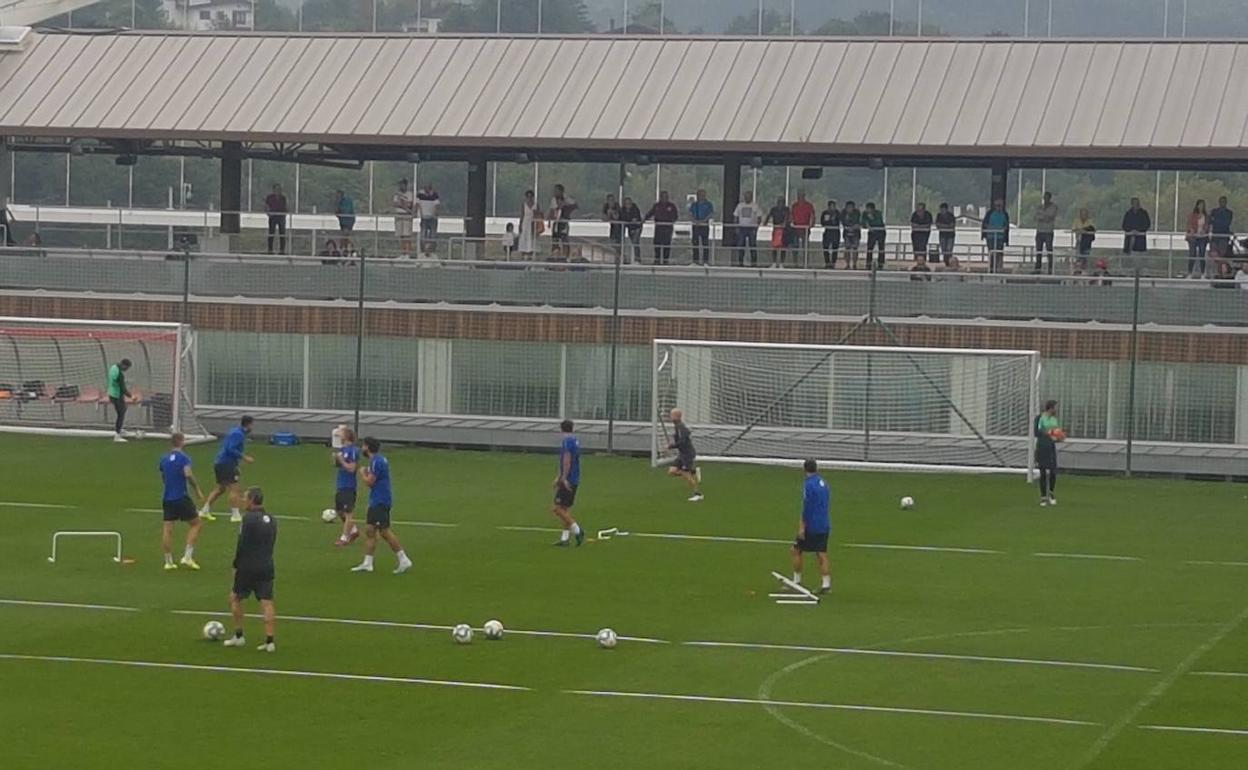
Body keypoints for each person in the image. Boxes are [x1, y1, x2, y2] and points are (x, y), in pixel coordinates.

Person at [224, 487, 278, 653]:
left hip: (247, 566)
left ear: (252, 500)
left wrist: (235, 565)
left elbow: (242, 545)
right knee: (267, 602)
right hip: (266, 565)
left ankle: (239, 636)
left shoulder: (247, 519)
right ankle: (270, 641)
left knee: (235, 598)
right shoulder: (272, 519)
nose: (243, 501)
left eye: (245, 498)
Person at [351, 437, 413, 575]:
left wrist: (362, 473)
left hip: (380, 500)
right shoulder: (379, 460)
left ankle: (403, 559)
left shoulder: (376, 461)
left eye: (363, 446)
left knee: (384, 531)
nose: (362, 449)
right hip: (378, 500)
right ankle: (367, 563)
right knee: (370, 530)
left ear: (367, 447)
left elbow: (370, 482)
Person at [159, 432, 204, 571]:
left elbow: (163, 477)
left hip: (167, 498)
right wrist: (197, 489)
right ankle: (187, 557)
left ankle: (168, 562)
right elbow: (188, 474)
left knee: (167, 529)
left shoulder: (164, 459)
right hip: (181, 497)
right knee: (196, 524)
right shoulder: (184, 458)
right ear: (182, 442)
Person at [200, 415, 255, 524]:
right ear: (248, 424)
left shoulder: (235, 431)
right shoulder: (238, 434)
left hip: (221, 463)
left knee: (220, 489)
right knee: (234, 488)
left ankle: (204, 510)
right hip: (226, 464)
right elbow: (230, 448)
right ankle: (235, 515)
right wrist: (244, 457)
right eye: (252, 425)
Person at [790, 459, 832, 595]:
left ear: (804, 469)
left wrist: (802, 527)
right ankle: (826, 583)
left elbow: (807, 507)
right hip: (824, 523)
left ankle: (796, 581)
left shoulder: (808, 485)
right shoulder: (824, 483)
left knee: (795, 550)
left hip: (812, 525)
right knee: (821, 553)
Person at [551, 419, 585, 547]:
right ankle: (564, 539)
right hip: (575, 478)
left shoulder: (567, 442)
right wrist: (558, 476)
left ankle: (577, 530)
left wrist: (563, 478)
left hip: (569, 479)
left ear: (561, 429)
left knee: (557, 509)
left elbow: (567, 461)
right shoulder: (575, 441)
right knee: (564, 509)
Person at [331, 427, 361, 547]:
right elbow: (338, 465)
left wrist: (341, 460)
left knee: (348, 512)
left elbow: (352, 468)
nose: (339, 436)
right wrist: (335, 459)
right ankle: (353, 531)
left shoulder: (353, 450)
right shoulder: (342, 450)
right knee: (339, 511)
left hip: (349, 486)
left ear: (347, 436)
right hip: (340, 485)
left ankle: (344, 537)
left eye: (341, 434)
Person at [667, 408, 703, 502]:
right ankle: (693, 471)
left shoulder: (681, 427)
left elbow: (682, 441)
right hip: (682, 454)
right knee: (672, 471)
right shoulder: (677, 427)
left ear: (676, 416)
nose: (670, 417)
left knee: (685, 474)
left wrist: (672, 446)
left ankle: (697, 494)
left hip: (687, 454)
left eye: (671, 415)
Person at [1034, 400, 1062, 507]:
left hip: (1051, 447)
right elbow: (1037, 432)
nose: (1056, 410)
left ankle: (1051, 493)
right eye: (1055, 407)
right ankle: (1043, 497)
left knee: (1053, 471)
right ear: (1050, 408)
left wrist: (1059, 437)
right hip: (1042, 447)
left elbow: (1056, 432)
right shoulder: (1039, 418)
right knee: (1043, 472)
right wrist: (1049, 432)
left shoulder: (1054, 420)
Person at [646, 191, 680, 265]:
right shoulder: (656, 206)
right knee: (657, 243)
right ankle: (657, 259)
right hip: (659, 227)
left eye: (666, 197)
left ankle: (665, 260)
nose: (664, 198)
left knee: (666, 244)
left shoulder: (672, 206)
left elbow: (675, 216)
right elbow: (650, 213)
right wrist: (644, 219)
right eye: (663, 196)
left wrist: (671, 220)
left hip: (667, 227)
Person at [548, 184, 577, 260]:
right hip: (556, 222)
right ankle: (555, 256)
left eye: (556, 190)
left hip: (563, 222)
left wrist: (565, 206)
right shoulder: (553, 199)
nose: (555, 192)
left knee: (564, 239)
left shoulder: (566, 198)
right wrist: (549, 219)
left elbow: (574, 205)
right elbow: (552, 210)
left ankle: (566, 256)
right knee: (555, 239)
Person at [107, 358, 133, 443]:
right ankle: (117, 435)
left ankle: (119, 429)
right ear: (124, 365)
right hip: (116, 395)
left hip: (111, 393)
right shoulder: (120, 375)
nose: (126, 370)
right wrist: (131, 396)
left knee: (123, 410)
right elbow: (122, 389)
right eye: (127, 368)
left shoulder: (113, 367)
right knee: (121, 413)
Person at [733, 191, 762, 267]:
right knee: (740, 246)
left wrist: (756, 228)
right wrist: (736, 227)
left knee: (753, 245)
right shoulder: (740, 205)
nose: (747, 198)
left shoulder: (755, 206)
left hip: (751, 228)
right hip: (742, 228)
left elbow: (759, 217)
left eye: (749, 196)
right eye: (746, 196)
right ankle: (740, 263)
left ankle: (754, 263)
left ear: (751, 197)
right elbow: (735, 216)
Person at [981, 199, 1010, 273]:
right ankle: (991, 269)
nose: (999, 208)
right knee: (991, 253)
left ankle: (997, 269)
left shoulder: (1004, 214)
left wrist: (1006, 240)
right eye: (997, 206)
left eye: (1000, 206)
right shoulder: (990, 213)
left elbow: (1006, 227)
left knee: (998, 254)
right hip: (991, 237)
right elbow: (984, 224)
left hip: (1000, 237)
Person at [1186, 199, 1211, 279]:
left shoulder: (1206, 216)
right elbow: (1189, 224)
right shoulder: (1192, 215)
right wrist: (1191, 230)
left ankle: (1203, 273)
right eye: (1200, 205)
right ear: (1197, 206)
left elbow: (1208, 225)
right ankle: (1190, 273)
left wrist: (1205, 229)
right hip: (1193, 237)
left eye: (1202, 205)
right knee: (1192, 254)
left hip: (1202, 237)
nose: (1201, 207)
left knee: (1202, 255)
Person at [1034, 192, 1058, 274]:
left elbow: (1051, 216)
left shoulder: (1054, 207)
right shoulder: (1040, 206)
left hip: (1048, 232)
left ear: (1050, 198)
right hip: (1039, 231)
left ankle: (1050, 270)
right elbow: (1037, 216)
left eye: (1047, 197)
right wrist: (1045, 216)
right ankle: (1037, 269)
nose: (1045, 199)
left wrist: (1043, 216)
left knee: (1049, 250)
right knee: (1038, 251)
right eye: (1044, 197)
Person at [789, 191, 816, 264]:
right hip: (795, 229)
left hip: (805, 229)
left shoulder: (809, 205)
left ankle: (805, 263)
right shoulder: (794, 205)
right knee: (795, 246)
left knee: (805, 247)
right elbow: (791, 216)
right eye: (798, 196)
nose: (800, 197)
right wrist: (791, 223)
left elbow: (812, 216)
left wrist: (810, 225)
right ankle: (795, 263)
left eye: (801, 196)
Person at [689, 189, 714, 266]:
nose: (700, 196)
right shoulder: (694, 204)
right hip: (695, 226)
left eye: (702, 195)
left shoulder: (709, 204)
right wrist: (695, 221)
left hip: (704, 226)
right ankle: (695, 261)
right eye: (699, 195)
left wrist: (703, 221)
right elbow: (690, 213)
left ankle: (705, 261)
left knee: (705, 243)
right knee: (695, 243)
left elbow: (711, 214)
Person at [764, 197, 789, 268]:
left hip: (784, 230)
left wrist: (784, 223)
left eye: (782, 202)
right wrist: (765, 222)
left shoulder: (786, 209)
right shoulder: (774, 209)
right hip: (776, 228)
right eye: (779, 202)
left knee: (783, 246)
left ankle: (781, 263)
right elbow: (769, 215)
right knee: (774, 246)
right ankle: (774, 262)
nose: (780, 203)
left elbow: (788, 217)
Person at [393, 179, 415, 258]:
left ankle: (407, 253)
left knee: (407, 235)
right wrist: (403, 204)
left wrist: (402, 203)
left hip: (406, 216)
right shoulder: (397, 194)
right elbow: (395, 204)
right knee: (401, 235)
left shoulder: (409, 194)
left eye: (402, 184)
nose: (401, 186)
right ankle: (402, 253)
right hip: (398, 215)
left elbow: (409, 205)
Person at [416, 182, 440, 255]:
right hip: (424, 217)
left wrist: (434, 214)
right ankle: (423, 251)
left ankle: (431, 251)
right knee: (423, 234)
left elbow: (436, 206)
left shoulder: (435, 195)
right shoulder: (420, 194)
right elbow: (418, 204)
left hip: (432, 218)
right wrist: (418, 213)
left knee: (433, 235)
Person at [264, 184, 288, 255]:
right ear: (273, 190)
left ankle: (282, 250)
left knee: (282, 234)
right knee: (271, 233)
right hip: (273, 217)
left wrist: (285, 214)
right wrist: (268, 214)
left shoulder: (283, 198)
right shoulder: (269, 197)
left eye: (279, 189)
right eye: (277, 189)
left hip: (281, 217)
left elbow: (285, 207)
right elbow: (266, 206)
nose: (278, 191)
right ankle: (270, 250)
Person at [518, 189, 541, 258]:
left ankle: (532, 252)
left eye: (531, 197)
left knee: (532, 237)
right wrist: (520, 224)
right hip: (526, 222)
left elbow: (539, 215)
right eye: (528, 197)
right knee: (524, 236)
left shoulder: (536, 205)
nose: (529, 198)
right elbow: (522, 215)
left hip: (533, 222)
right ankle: (524, 252)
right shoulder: (524, 204)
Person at [863, 202, 886, 270]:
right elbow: (862, 221)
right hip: (872, 232)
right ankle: (868, 263)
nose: (867, 210)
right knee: (870, 248)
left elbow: (879, 221)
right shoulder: (865, 214)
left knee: (881, 248)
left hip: (880, 231)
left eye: (868, 209)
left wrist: (872, 218)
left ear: (872, 209)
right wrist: (867, 224)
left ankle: (881, 263)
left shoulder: (878, 213)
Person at [621, 196, 643, 264]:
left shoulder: (635, 209)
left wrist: (629, 221)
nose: (628, 205)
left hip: (637, 228)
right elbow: (622, 218)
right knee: (632, 242)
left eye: (629, 203)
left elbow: (635, 219)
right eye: (626, 203)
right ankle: (626, 258)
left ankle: (637, 259)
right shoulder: (623, 210)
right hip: (630, 228)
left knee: (635, 242)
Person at [1210, 196, 1234, 260]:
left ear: (1226, 202)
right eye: (1221, 201)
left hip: (1224, 237)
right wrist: (1218, 222)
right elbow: (1211, 221)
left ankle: (1221, 269)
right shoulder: (1214, 211)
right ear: (1219, 202)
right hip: (1215, 237)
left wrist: (1216, 221)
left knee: (1222, 255)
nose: (1222, 203)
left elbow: (1226, 223)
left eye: (1224, 201)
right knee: (1214, 255)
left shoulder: (1229, 213)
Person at [820, 199, 841, 268]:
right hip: (828, 232)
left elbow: (840, 221)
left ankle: (833, 263)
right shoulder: (825, 213)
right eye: (831, 206)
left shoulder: (837, 213)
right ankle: (827, 262)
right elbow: (823, 222)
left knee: (835, 248)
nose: (833, 208)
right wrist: (828, 220)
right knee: (826, 247)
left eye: (834, 206)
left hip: (835, 232)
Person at [841, 201, 862, 269]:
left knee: (855, 249)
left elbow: (859, 221)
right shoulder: (843, 213)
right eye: (848, 207)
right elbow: (842, 221)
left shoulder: (857, 213)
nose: (849, 209)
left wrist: (855, 226)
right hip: (847, 233)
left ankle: (855, 264)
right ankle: (847, 264)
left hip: (855, 233)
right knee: (847, 249)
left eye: (851, 207)